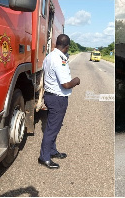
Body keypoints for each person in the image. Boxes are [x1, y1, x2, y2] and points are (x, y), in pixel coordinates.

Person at [38, 34, 80, 169]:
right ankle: (44, 157)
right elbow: (66, 84)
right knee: (52, 129)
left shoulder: (49, 56)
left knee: (53, 126)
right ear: (67, 47)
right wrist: (77, 80)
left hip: (51, 96)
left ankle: (52, 151)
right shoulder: (59, 60)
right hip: (57, 98)